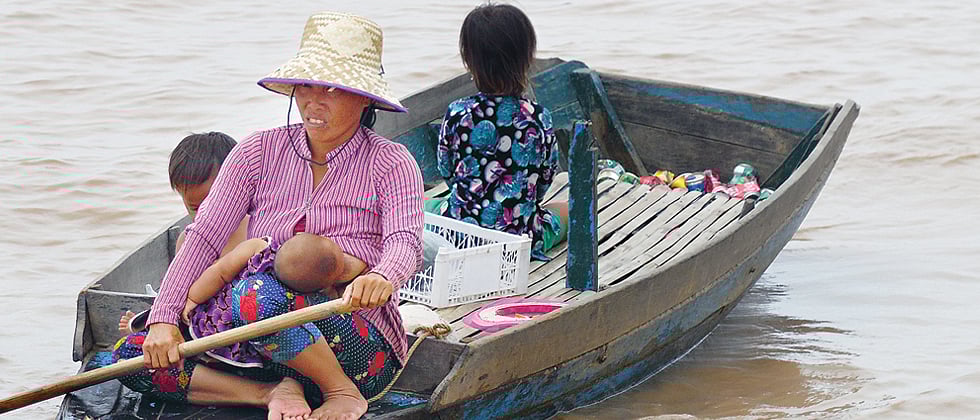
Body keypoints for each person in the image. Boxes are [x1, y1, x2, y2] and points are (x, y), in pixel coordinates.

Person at [111, 12, 424, 420]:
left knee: (257, 294)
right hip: (261, 345)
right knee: (127, 358)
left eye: (331, 88)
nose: (313, 100)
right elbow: (205, 236)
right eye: (306, 86)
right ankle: (269, 392)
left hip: (353, 343)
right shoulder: (257, 151)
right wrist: (165, 319)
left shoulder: (390, 161)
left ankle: (341, 391)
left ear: (364, 97)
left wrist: (383, 277)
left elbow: (406, 242)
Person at [435, 4, 568, 261]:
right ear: (526, 58)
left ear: (469, 61)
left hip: (460, 237)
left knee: (426, 207)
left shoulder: (458, 113)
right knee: (568, 211)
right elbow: (544, 180)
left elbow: (448, 172)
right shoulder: (539, 117)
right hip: (520, 240)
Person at [119, 131, 248, 335]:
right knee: (131, 347)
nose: (203, 217)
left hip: (241, 322)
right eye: (194, 209)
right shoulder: (187, 240)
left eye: (211, 205)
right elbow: (179, 295)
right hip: (199, 324)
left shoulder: (252, 229)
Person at [179, 233, 367, 368]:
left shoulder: (257, 248)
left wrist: (193, 298)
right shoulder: (296, 293)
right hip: (238, 327)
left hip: (219, 315)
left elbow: (220, 272)